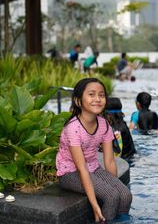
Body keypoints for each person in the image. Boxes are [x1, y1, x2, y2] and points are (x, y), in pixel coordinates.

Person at [56, 78, 132, 222]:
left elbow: (109, 161)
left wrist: (114, 184)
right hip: (70, 172)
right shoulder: (73, 128)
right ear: (78, 101)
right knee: (111, 197)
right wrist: (95, 204)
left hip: (93, 167)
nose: (97, 99)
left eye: (101, 95)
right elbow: (81, 169)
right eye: (91, 94)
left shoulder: (104, 125)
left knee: (125, 195)